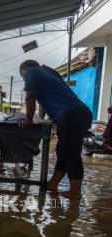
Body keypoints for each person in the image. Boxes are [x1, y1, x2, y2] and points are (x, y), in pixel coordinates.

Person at [19, 60, 92, 199]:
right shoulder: (49, 71)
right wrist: (39, 118)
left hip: (71, 115)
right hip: (80, 113)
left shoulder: (31, 72)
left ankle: (75, 192)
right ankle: (53, 183)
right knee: (62, 150)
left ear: (24, 70)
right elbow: (44, 100)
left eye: (21, 75)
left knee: (71, 153)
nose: (23, 78)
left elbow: (30, 97)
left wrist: (28, 120)